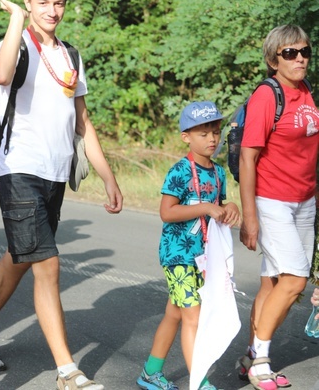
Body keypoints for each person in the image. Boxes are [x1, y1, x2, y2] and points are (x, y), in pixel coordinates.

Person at [0, 0, 123, 390]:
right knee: (47, 263)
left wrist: (108, 177)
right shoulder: (17, 43)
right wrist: (14, 23)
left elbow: (83, 122)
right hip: (20, 169)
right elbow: (2, 75)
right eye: (43, 2)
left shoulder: (71, 55)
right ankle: (68, 371)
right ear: (29, 3)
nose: (52, 10)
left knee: (21, 254)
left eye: (59, 2)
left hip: (55, 173)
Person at [136, 101, 240, 390]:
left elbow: (216, 208)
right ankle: (200, 383)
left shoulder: (218, 173)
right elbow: (167, 212)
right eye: (204, 133)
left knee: (175, 312)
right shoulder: (180, 171)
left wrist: (228, 206)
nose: (212, 139)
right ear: (186, 137)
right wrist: (206, 207)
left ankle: (150, 372)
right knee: (192, 317)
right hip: (178, 254)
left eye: (216, 132)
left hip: (203, 256)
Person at [237, 25, 319, 390]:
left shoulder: (306, 93)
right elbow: (247, 157)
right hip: (272, 200)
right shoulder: (267, 96)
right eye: (290, 53)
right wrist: (250, 216)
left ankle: (251, 357)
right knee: (295, 279)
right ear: (274, 60)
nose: (299, 58)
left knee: (274, 282)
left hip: (305, 201)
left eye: (304, 51)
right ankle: (262, 360)